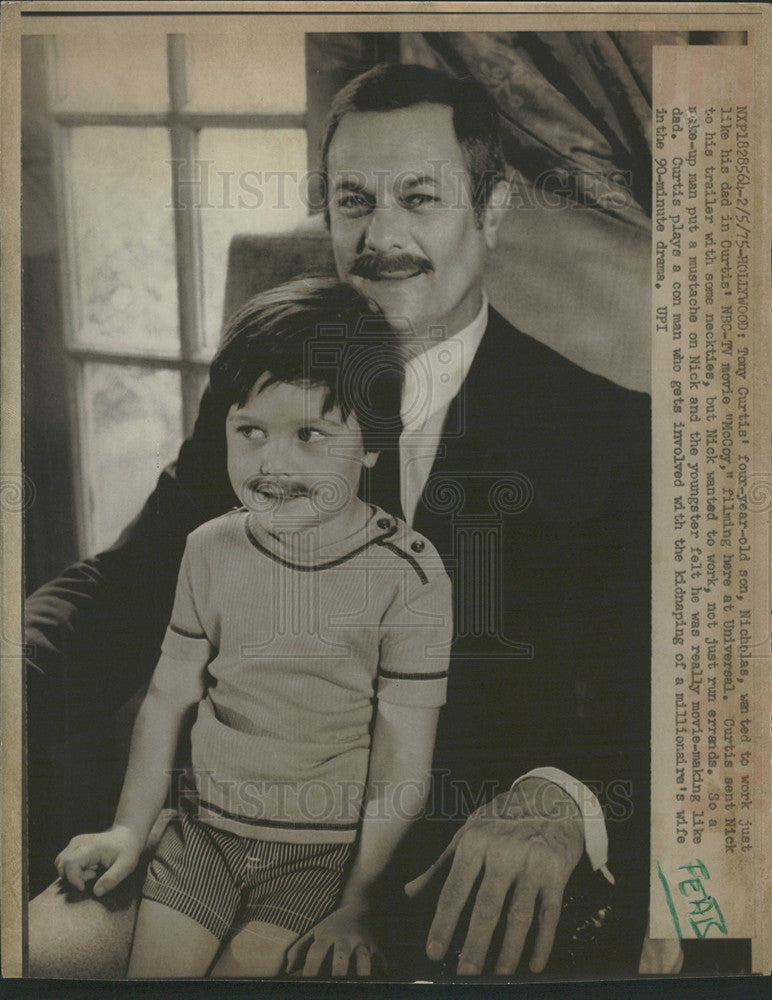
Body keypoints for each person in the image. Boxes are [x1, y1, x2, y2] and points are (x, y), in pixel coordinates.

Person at [26, 63, 651, 978]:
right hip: (227, 838)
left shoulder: (603, 429)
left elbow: (673, 688)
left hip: (432, 881)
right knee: (38, 957)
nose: (381, 236)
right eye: (353, 200)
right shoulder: (266, 391)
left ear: (494, 206)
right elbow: (132, 582)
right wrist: (17, 668)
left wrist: (564, 797)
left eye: (420, 198)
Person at [53, 279, 453, 977]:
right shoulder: (209, 548)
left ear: (372, 445)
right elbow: (166, 700)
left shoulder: (408, 575)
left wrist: (359, 901)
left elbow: (402, 762)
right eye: (250, 433)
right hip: (202, 840)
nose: (272, 464)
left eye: (310, 436)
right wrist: (129, 828)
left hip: (316, 863)